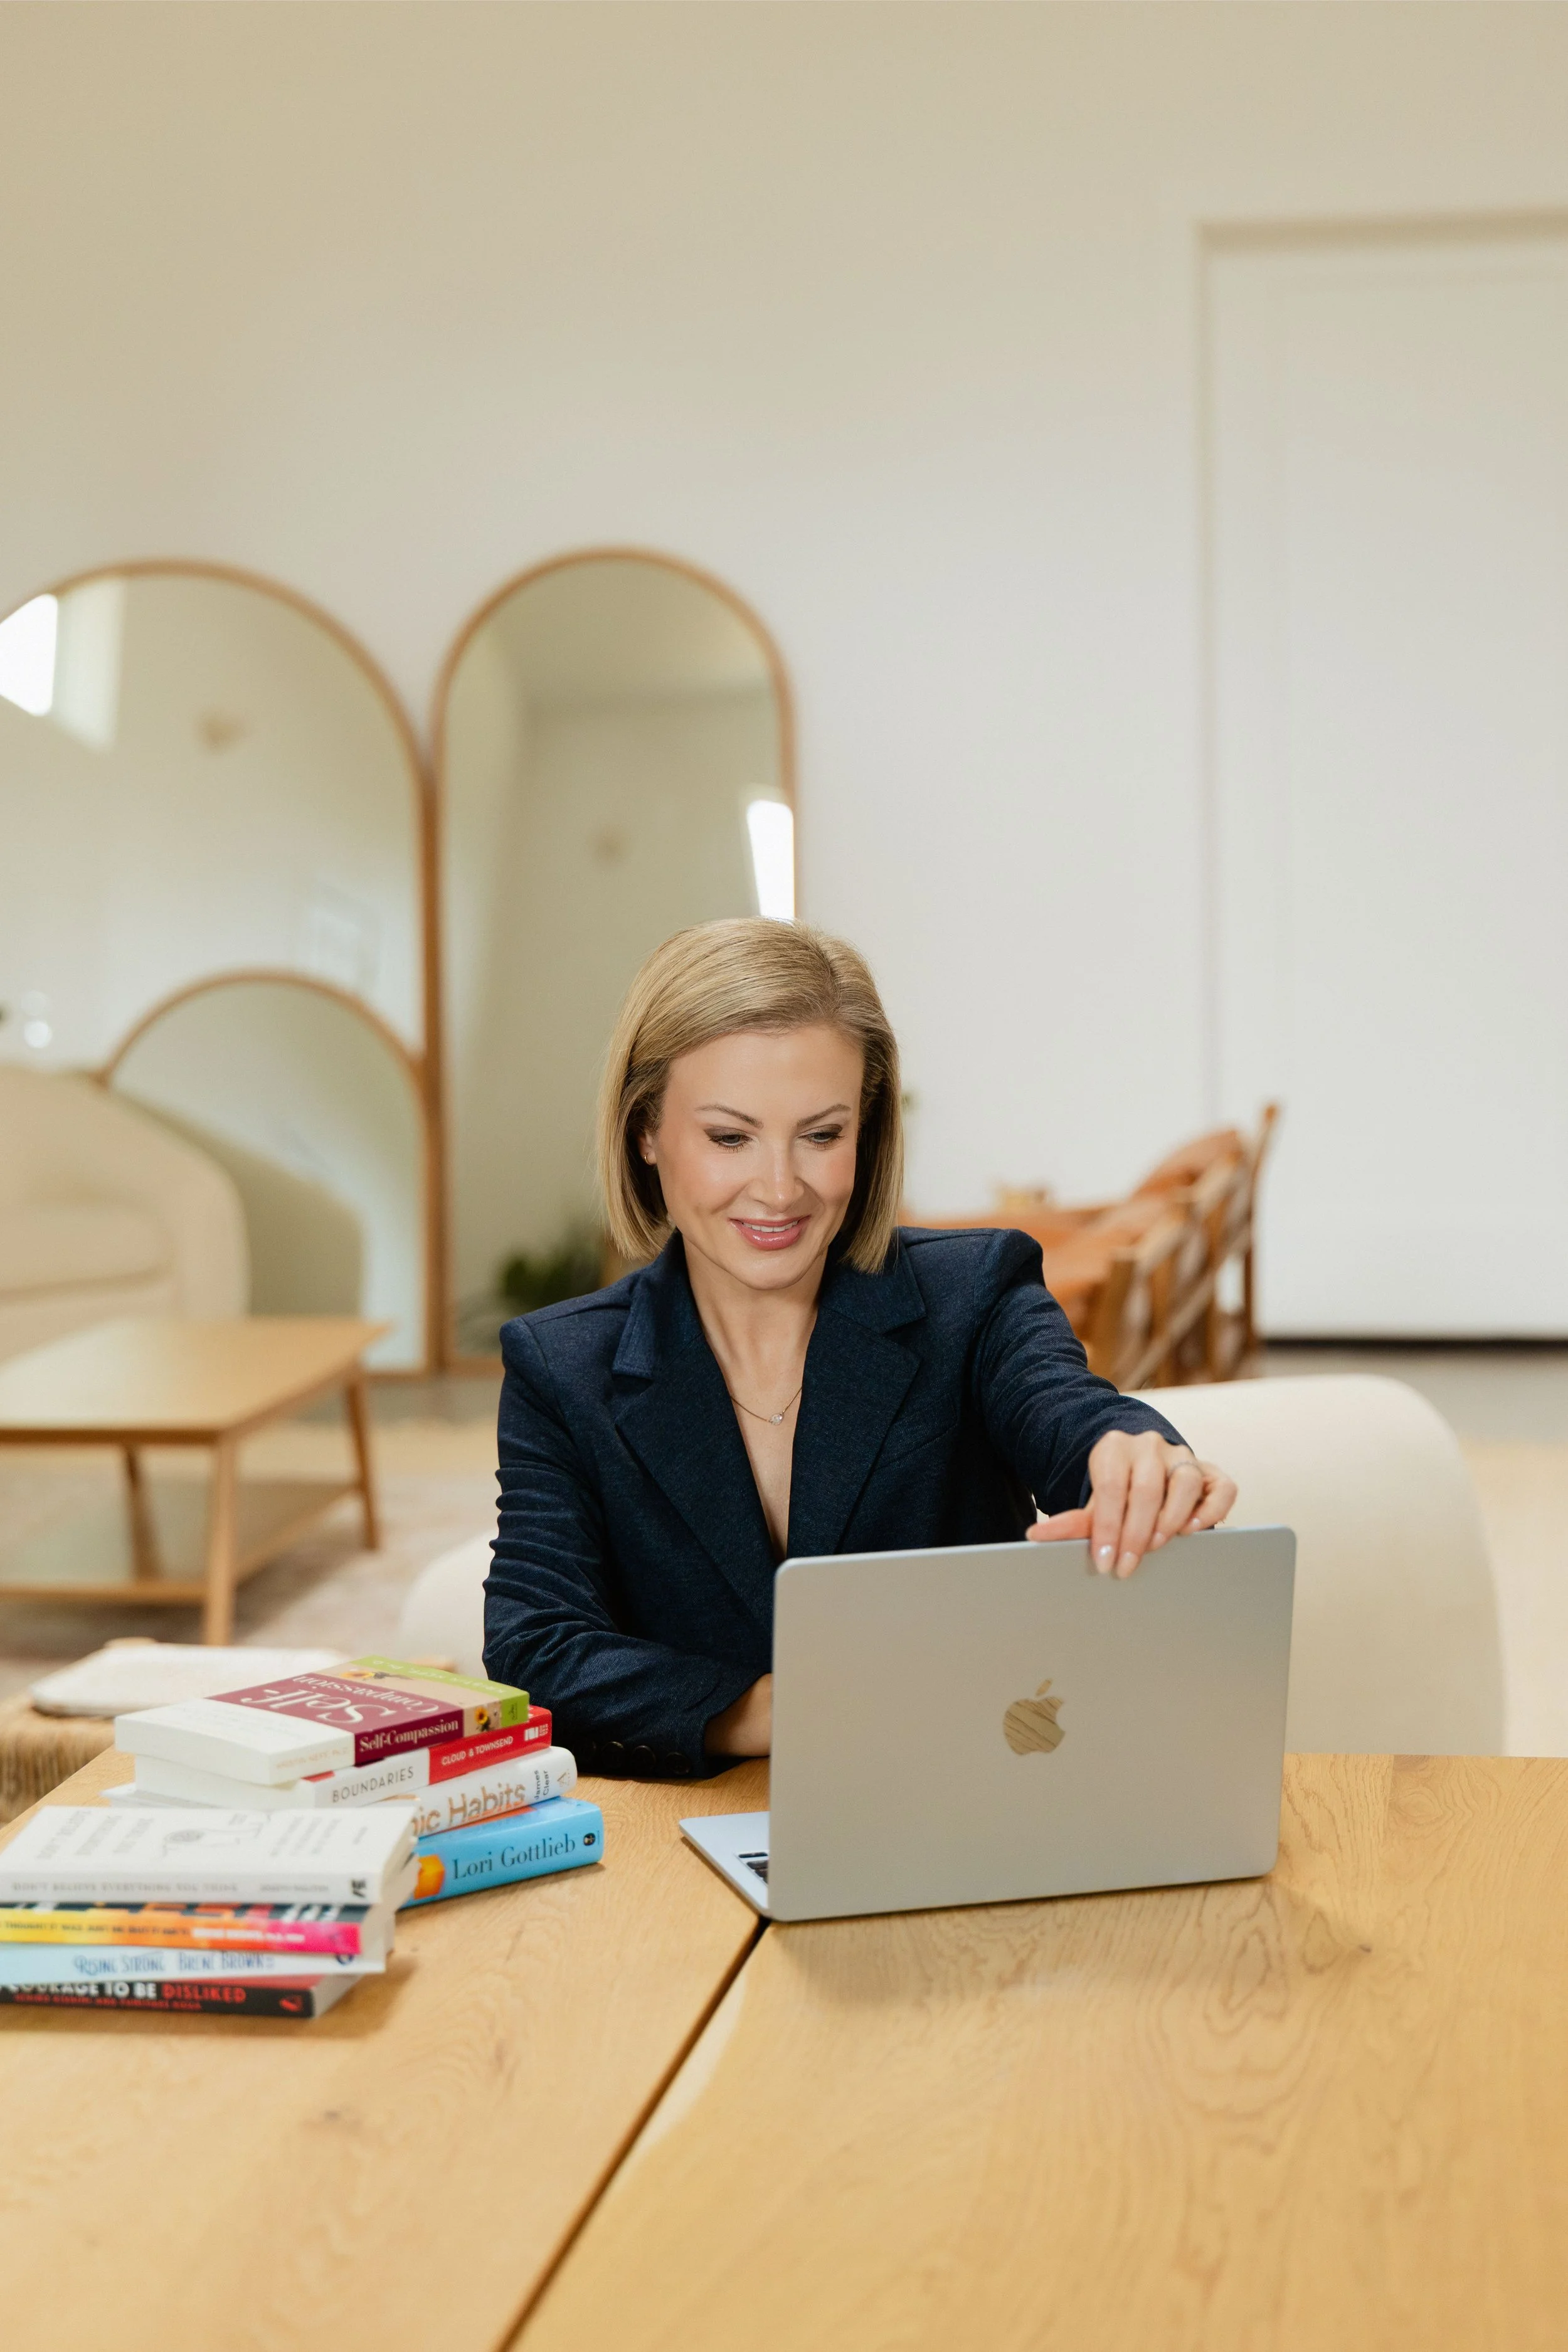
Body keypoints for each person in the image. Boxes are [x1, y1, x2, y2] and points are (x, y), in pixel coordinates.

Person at [484, 920, 1236, 1777]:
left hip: (966, 1801)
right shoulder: (559, 1368)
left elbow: (1071, 1414)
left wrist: (1131, 1455)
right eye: (730, 1137)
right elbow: (535, 1646)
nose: (778, 1187)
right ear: (646, 1132)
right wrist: (777, 1708)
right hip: (704, 1835)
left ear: (866, 1130)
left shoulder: (976, 1292)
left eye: (822, 1134)